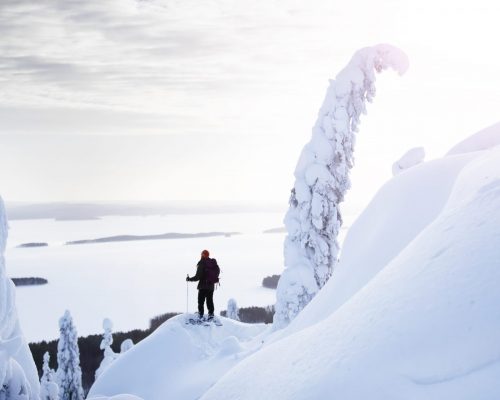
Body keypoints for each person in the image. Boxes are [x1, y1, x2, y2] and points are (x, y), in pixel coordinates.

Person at [186, 249, 220, 320]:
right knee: (210, 300)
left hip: (203, 286)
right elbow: (217, 272)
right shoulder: (212, 263)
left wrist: (189, 279)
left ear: (202, 255)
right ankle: (211, 314)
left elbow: (198, 276)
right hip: (211, 286)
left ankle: (200, 315)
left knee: (201, 301)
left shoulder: (202, 263)